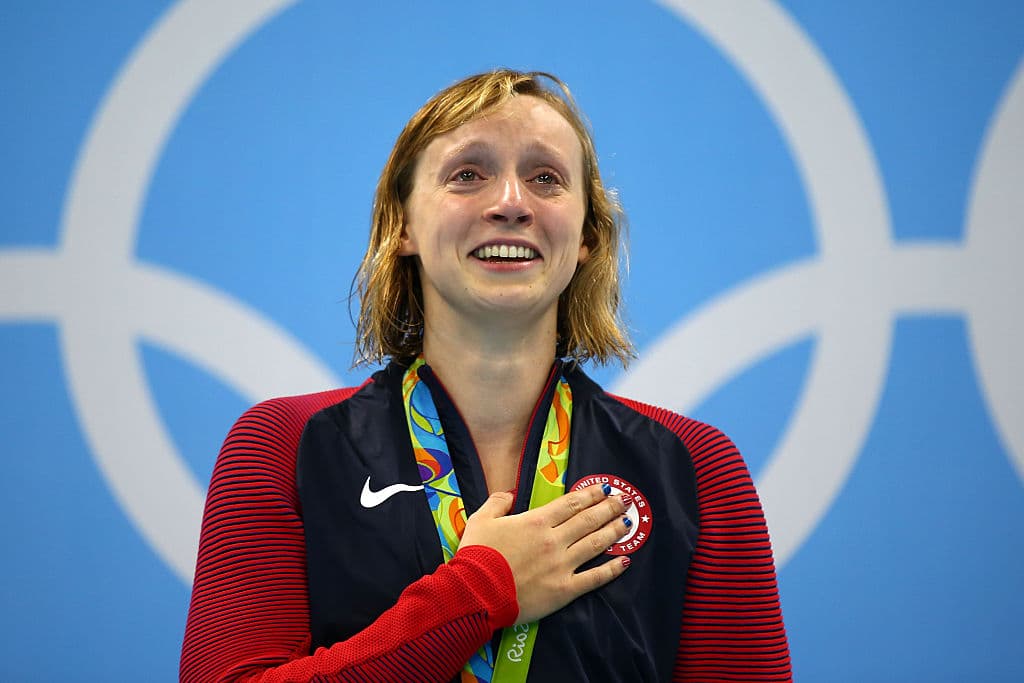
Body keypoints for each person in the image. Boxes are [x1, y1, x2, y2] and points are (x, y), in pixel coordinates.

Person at [180, 69, 791, 682]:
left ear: (587, 236)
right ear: (402, 227)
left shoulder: (697, 467)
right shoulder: (284, 444)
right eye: (467, 175)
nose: (510, 203)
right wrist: (482, 589)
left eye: (545, 179)